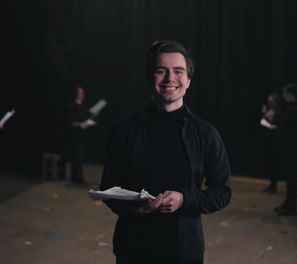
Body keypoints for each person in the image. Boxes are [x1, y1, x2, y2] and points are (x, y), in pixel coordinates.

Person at [100, 40, 232, 263]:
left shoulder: (206, 134)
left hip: (184, 250)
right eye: (161, 71)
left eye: (178, 71)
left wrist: (184, 200)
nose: (170, 78)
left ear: (188, 80)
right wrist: (133, 206)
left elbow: (222, 192)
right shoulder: (123, 131)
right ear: (150, 78)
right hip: (133, 247)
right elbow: (108, 187)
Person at [273, 82, 297, 216]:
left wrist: (277, 130)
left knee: (292, 179)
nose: (282, 96)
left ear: (289, 94)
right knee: (291, 179)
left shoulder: (293, 110)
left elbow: (287, 130)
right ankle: (288, 204)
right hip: (295, 148)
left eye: (284, 93)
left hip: (292, 149)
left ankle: (291, 207)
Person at [67, 85, 98, 184]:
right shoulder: (72, 105)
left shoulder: (83, 106)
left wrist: (94, 116)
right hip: (75, 134)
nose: (82, 94)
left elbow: (87, 118)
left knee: (80, 156)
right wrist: (80, 124)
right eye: (80, 92)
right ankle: (75, 177)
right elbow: (70, 121)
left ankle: (78, 176)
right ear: (76, 94)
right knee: (76, 156)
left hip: (82, 134)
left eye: (83, 92)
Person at [260, 93, 282, 194]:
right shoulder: (269, 111)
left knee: (274, 163)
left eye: (271, 100)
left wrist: (272, 125)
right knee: (270, 163)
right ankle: (272, 185)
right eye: (269, 100)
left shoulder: (278, 112)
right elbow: (264, 122)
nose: (269, 102)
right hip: (269, 139)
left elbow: (277, 125)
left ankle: (274, 186)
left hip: (276, 140)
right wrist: (264, 114)